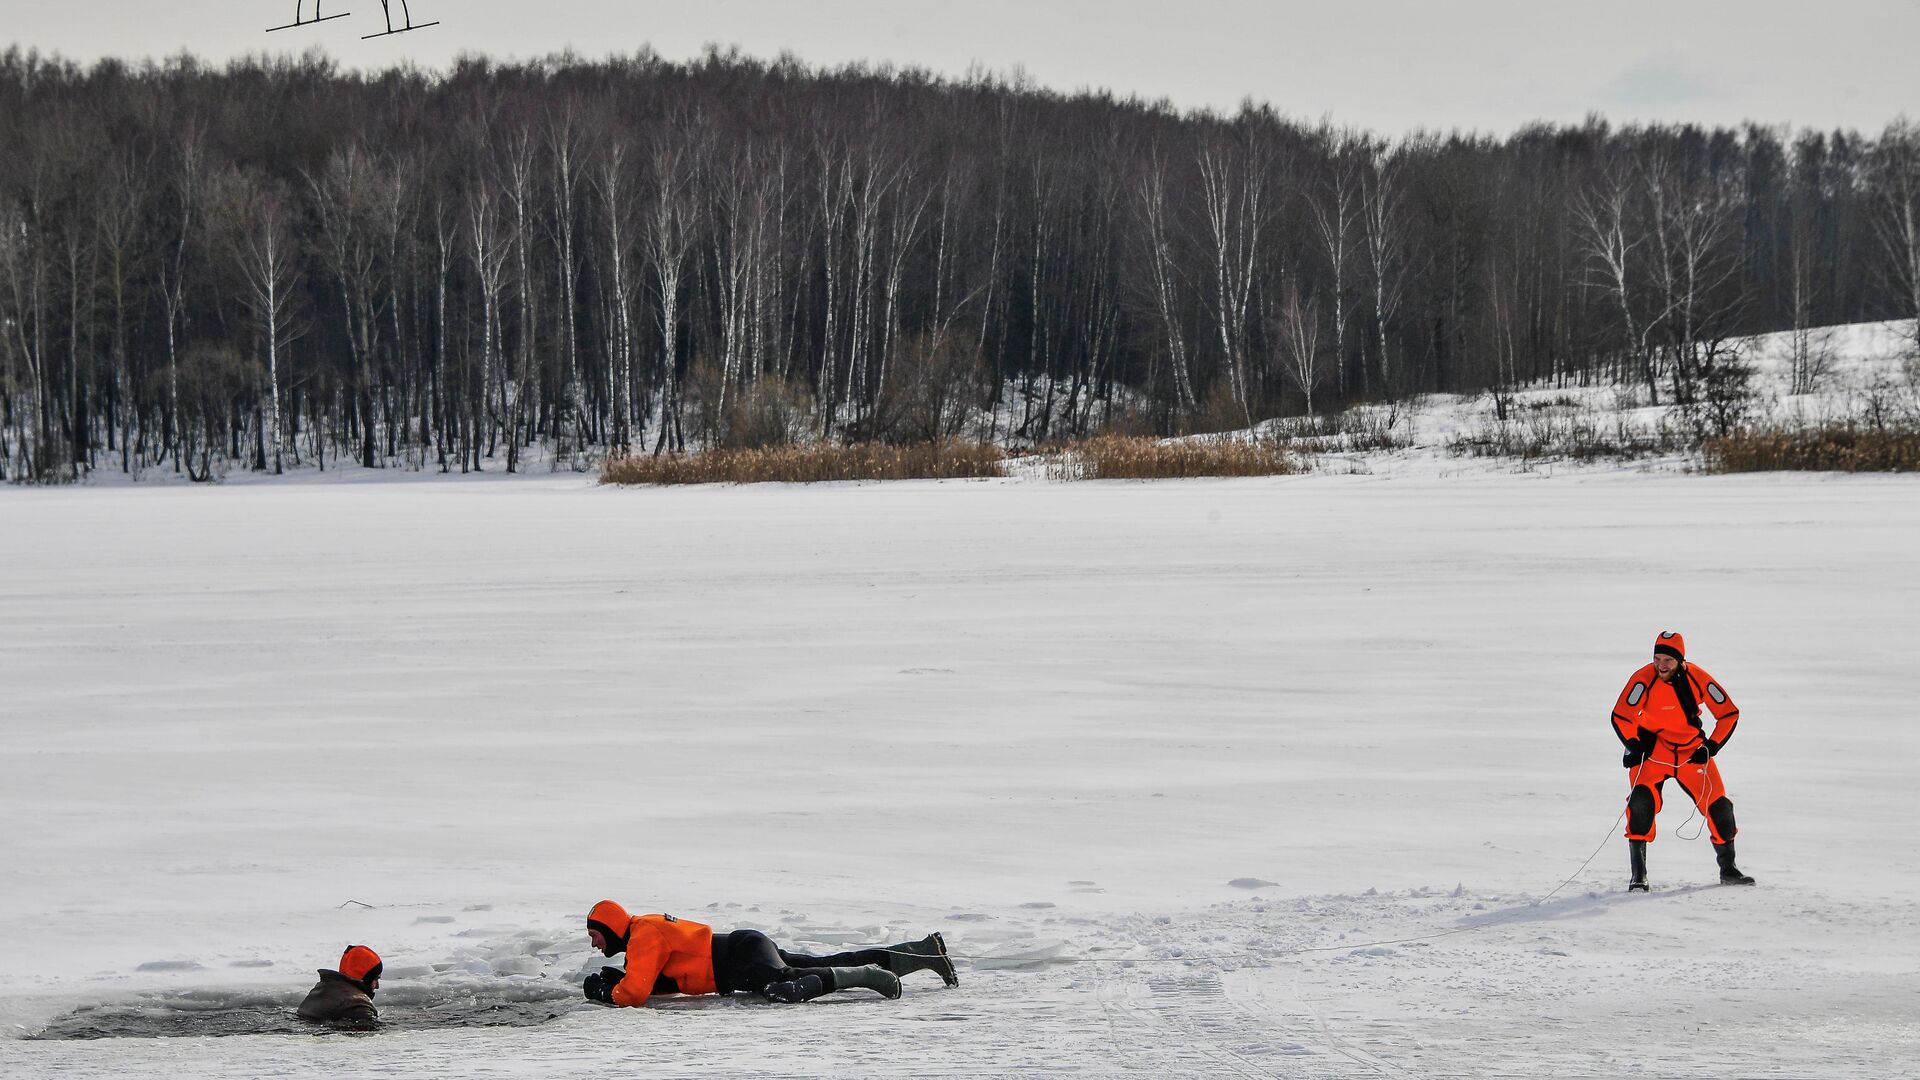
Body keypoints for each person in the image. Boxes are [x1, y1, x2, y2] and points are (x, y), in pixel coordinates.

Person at [582, 899, 958, 1006]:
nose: (595, 943)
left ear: (612, 928)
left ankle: (869, 976)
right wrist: (623, 981)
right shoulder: (641, 936)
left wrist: (607, 993)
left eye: (595, 935)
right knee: (820, 964)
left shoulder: (642, 936)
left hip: (740, 958)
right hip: (743, 949)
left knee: (785, 987)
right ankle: (924, 954)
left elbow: (634, 995)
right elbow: (654, 984)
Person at [1609, 631, 1755, 891]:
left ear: (1681, 660)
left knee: (1720, 808)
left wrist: (1711, 746)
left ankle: (1729, 870)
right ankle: (1638, 877)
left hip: (1690, 752)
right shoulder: (1643, 679)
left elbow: (1728, 713)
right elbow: (1621, 715)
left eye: (1668, 660)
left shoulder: (1697, 677)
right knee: (1641, 804)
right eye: (1657, 658)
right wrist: (1633, 745)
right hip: (1653, 753)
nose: (1661, 665)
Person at [296, 944, 383, 1024]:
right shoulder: (357, 1005)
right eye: (376, 979)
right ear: (365, 978)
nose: (377, 986)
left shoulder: (322, 989)